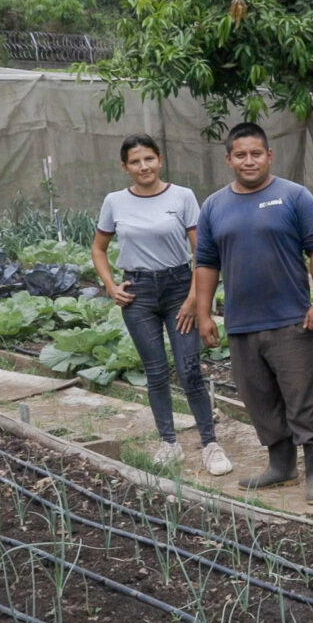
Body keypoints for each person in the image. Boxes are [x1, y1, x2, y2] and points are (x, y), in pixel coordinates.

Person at [194, 122, 313, 502]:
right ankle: (281, 466)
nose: (249, 161)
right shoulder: (214, 206)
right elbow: (205, 262)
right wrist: (205, 315)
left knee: (303, 395)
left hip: (291, 319)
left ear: (269, 155)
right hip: (242, 322)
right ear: (229, 160)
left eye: (256, 153)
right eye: (241, 155)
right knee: (259, 397)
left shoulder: (295, 197)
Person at [91, 134, 233, 476]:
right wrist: (111, 286)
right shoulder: (114, 201)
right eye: (136, 162)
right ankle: (168, 443)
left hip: (178, 288)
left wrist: (193, 299)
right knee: (154, 372)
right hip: (137, 294)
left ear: (160, 160)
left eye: (149, 159)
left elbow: (203, 252)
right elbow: (98, 248)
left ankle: (210, 443)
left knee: (189, 370)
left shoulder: (182, 197)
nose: (144, 167)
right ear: (125, 167)